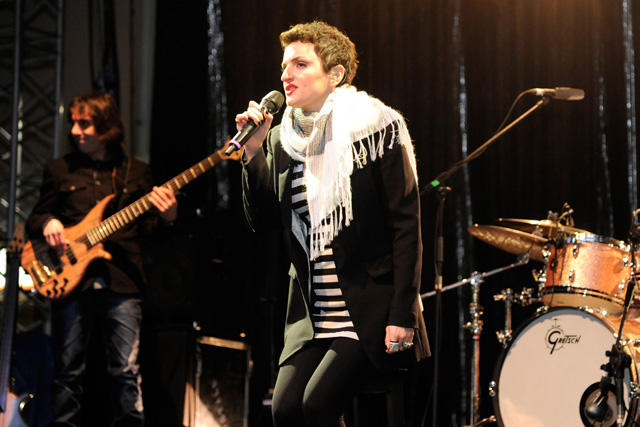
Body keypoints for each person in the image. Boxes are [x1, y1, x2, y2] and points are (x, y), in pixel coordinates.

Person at [238, 21, 429, 426]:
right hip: (311, 314)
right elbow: (264, 221)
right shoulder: (282, 139)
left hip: (367, 310)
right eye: (284, 65)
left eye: (300, 64)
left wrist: (402, 314)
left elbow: (406, 226)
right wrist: (253, 152)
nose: (286, 75)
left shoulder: (376, 127)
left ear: (335, 74)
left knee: (316, 406)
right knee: (284, 411)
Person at [25, 91, 178, 426]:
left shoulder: (136, 173)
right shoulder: (59, 169)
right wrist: (49, 222)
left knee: (125, 370)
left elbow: (151, 233)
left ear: (107, 128)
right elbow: (34, 219)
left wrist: (168, 217)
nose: (75, 131)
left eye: (85, 124)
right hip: (70, 280)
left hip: (121, 280)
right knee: (68, 371)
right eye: (73, 123)